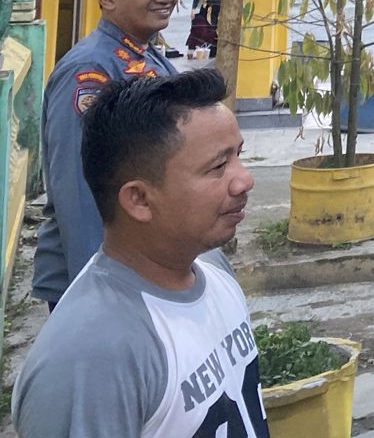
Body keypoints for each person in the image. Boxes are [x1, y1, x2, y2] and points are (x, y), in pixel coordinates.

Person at [13, 68, 264, 436]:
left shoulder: (212, 268)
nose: (245, 180)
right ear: (139, 200)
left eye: (239, 155)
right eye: (218, 166)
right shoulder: (91, 358)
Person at [33, 0, 182, 308]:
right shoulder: (91, 70)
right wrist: (98, 290)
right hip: (105, 274)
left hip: (143, 262)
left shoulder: (148, 57)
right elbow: (77, 185)